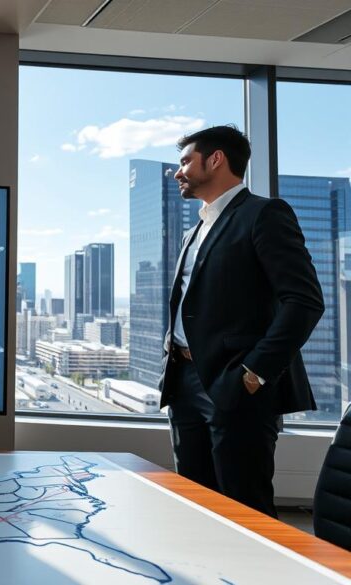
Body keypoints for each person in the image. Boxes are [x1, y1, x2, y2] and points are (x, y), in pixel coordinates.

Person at [160, 125, 324, 517]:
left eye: (185, 161)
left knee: (244, 508)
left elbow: (304, 301)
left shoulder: (263, 215)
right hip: (184, 382)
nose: (177, 172)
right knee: (195, 503)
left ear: (216, 159)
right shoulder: (194, 231)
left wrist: (253, 374)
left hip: (235, 383)